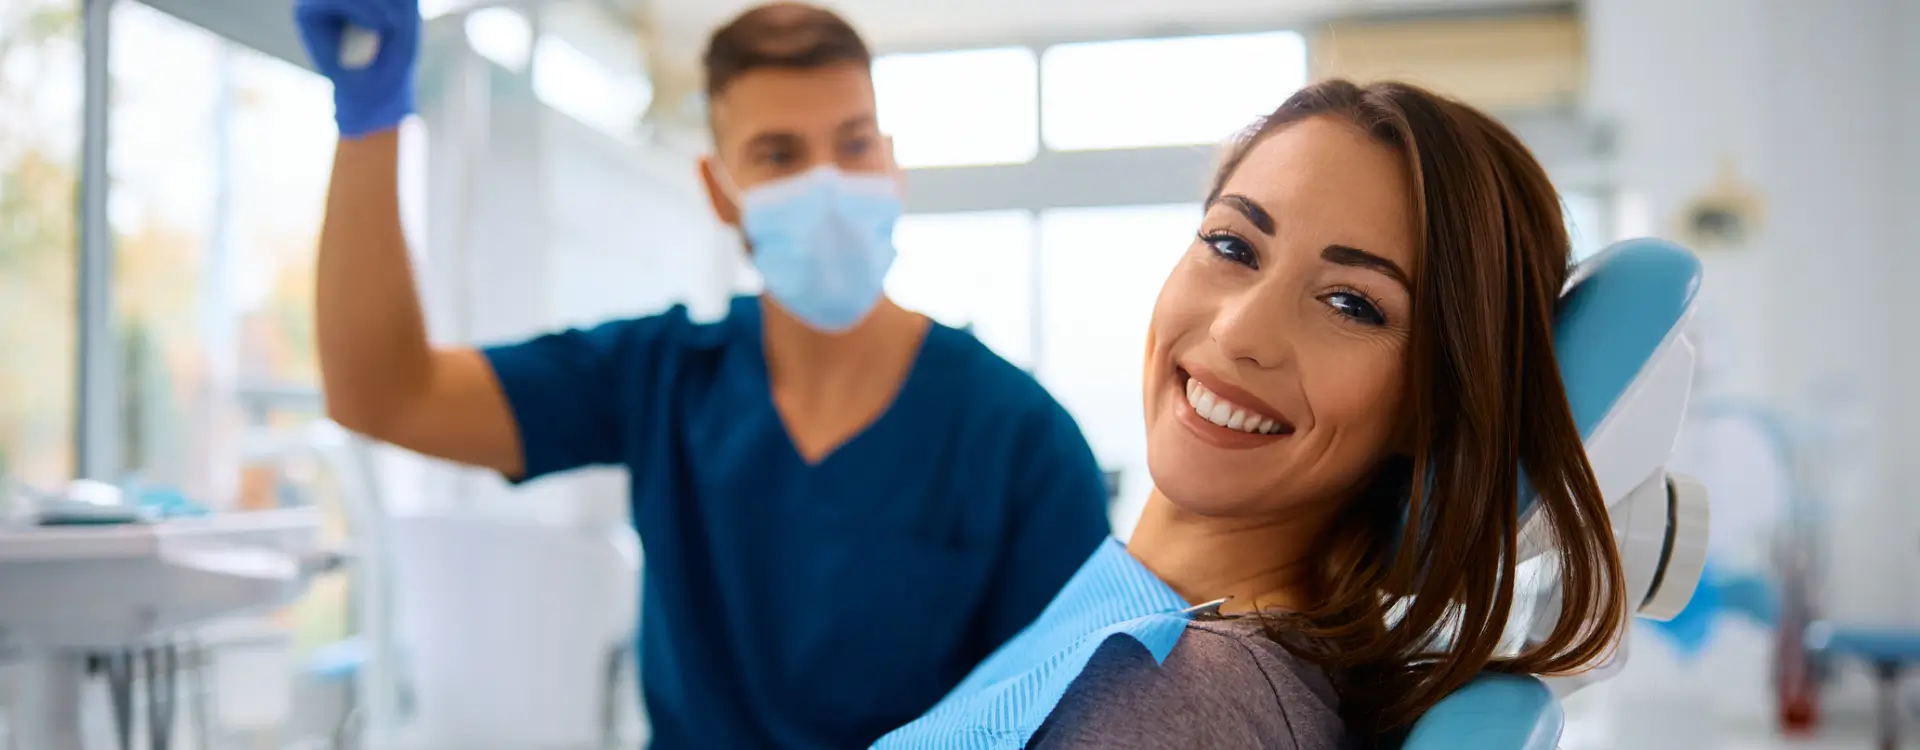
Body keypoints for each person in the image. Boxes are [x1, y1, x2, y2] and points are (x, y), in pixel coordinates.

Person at [290, 2, 1112, 747]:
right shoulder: (662, 377)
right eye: (778, 155)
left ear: (892, 165)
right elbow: (386, 393)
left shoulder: (1023, 441)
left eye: (854, 143)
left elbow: (1068, 723)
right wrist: (370, 122)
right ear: (720, 192)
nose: (826, 184)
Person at [878, 79, 1628, 749]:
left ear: (1432, 408)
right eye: (1234, 245)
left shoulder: (1177, 697)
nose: (1240, 331)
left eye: (1351, 304)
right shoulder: (1146, 625)